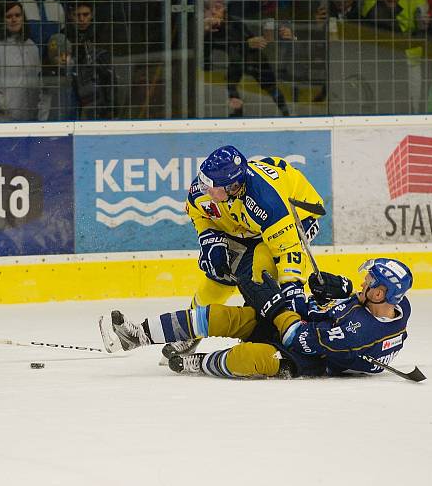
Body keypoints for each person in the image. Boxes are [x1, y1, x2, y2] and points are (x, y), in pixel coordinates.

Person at [101, 257, 414, 379]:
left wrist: (278, 304)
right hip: (303, 329)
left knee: (251, 356)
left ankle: (200, 363)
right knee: (220, 316)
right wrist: (336, 290)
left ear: (379, 293)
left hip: (304, 356)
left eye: (368, 282)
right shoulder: (396, 305)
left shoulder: (360, 334)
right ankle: (136, 335)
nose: (364, 283)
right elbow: (326, 312)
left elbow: (299, 340)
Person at [153, 145, 324, 360]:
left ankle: (264, 328)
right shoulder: (208, 189)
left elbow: (287, 250)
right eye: (203, 181)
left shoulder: (266, 201)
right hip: (244, 221)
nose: (203, 189)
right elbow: (199, 214)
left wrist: (292, 288)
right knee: (218, 274)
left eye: (210, 186)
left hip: (298, 213)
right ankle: (191, 331)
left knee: (260, 271)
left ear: (233, 186)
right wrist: (210, 240)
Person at [0, 1, 48, 122]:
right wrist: (2, 103)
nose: (14, 19)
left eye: (18, 15)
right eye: (8, 16)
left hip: (29, 118)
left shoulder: (32, 46)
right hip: (0, 119)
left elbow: (38, 81)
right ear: (1, 20)